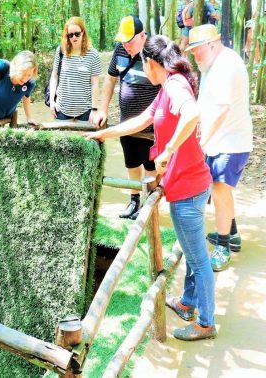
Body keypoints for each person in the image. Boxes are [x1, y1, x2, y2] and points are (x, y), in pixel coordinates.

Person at [88, 35, 216, 341]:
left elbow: (192, 114)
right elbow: (141, 121)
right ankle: (188, 302)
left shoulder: (174, 86)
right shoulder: (166, 87)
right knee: (191, 252)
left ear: (150, 63)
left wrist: (168, 149)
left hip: (188, 187)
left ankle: (206, 323)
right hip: (183, 185)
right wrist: (104, 134)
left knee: (198, 258)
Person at [186, 24, 253, 272]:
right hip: (219, 141)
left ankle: (223, 246)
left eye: (197, 50)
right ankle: (231, 233)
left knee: (219, 189)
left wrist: (201, 143)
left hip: (231, 141)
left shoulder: (226, 65)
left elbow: (223, 109)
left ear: (212, 44)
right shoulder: (212, 64)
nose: (194, 55)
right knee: (219, 190)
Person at [93, 15, 160, 220]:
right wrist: (102, 109)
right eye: (123, 41)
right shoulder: (120, 50)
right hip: (127, 124)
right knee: (131, 163)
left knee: (151, 167)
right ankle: (134, 201)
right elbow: (111, 79)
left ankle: (150, 205)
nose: (126, 45)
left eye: (129, 41)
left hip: (151, 127)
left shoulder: (155, 52)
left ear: (142, 36)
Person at [48, 17, 102, 122]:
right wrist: (51, 101)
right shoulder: (61, 51)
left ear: (83, 33)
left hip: (85, 110)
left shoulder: (93, 54)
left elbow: (95, 83)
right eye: (70, 35)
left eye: (77, 34)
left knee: (86, 138)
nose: (74, 37)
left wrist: (94, 109)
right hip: (61, 109)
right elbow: (54, 77)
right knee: (61, 138)